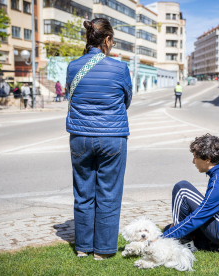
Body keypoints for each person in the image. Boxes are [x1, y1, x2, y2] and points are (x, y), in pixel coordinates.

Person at [66, 18, 132, 261]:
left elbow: (71, 97)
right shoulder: (120, 68)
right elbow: (126, 100)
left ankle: (83, 247)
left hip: (80, 137)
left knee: (83, 192)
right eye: (112, 41)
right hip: (112, 138)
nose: (112, 45)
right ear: (106, 40)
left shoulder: (73, 66)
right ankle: (102, 251)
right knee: (109, 193)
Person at [159, 134, 219, 256]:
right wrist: (172, 230)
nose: (193, 161)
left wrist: (162, 238)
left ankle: (185, 243)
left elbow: (198, 217)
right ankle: (217, 246)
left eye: (195, 157)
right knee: (169, 228)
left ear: (207, 159)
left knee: (182, 188)